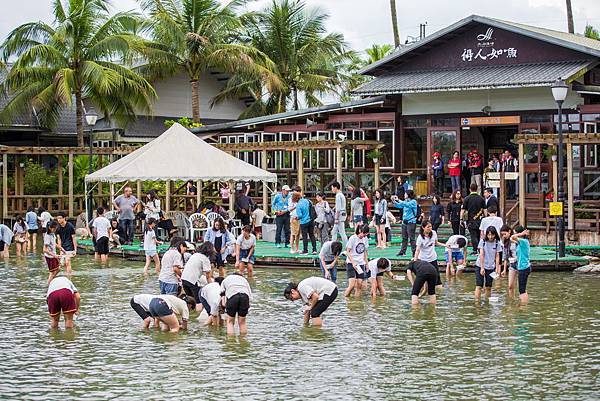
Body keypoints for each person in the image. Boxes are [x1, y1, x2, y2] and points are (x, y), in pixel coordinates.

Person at [475, 226, 501, 299]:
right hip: (480, 265)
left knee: (488, 287)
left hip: (491, 267)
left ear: (495, 234)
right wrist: (482, 268)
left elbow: (497, 256)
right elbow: (482, 254)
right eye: (488, 235)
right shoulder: (482, 241)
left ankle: (487, 302)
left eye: (492, 235)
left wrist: (496, 269)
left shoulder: (497, 243)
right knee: (479, 286)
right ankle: (477, 303)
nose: (490, 237)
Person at [344, 225, 369, 297]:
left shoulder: (365, 239)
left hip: (360, 263)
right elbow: (347, 251)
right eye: (364, 234)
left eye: (366, 235)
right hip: (351, 263)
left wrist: (367, 264)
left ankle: (356, 303)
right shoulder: (353, 238)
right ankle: (346, 299)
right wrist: (353, 262)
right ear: (360, 231)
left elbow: (365, 252)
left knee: (359, 284)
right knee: (351, 285)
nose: (364, 236)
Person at [392, 190, 418, 256]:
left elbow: (406, 204)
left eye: (405, 194)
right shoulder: (405, 201)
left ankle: (414, 252)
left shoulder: (413, 202)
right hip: (404, 222)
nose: (404, 195)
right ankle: (403, 251)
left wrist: (399, 200)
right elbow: (399, 206)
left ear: (409, 195)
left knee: (412, 238)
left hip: (411, 222)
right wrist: (394, 201)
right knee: (404, 238)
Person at [462, 183, 486, 255]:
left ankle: (475, 250)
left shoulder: (467, 198)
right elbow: (485, 209)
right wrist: (485, 217)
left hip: (470, 220)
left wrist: (461, 219)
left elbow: (463, 210)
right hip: (480, 219)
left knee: (473, 235)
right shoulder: (481, 198)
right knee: (479, 235)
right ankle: (480, 249)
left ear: (470, 189)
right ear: (477, 189)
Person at [512, 226, 531, 304]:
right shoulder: (521, 242)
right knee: (522, 289)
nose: (515, 234)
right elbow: (511, 238)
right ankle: (523, 304)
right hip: (523, 267)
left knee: (522, 290)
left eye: (515, 232)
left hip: (523, 268)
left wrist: (520, 234)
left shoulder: (524, 241)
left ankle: (524, 306)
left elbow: (513, 237)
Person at [296, 190, 317, 255]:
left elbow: (299, 215)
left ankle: (305, 250)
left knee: (305, 237)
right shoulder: (308, 201)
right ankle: (314, 250)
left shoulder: (298, 205)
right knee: (312, 235)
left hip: (303, 222)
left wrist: (297, 218)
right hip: (311, 220)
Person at [330, 182, 348, 246]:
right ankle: (332, 246)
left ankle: (347, 246)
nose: (332, 189)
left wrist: (336, 218)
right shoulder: (341, 195)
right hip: (342, 214)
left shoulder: (338, 195)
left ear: (335, 187)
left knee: (341, 233)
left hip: (339, 216)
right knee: (334, 232)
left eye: (332, 188)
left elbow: (338, 209)